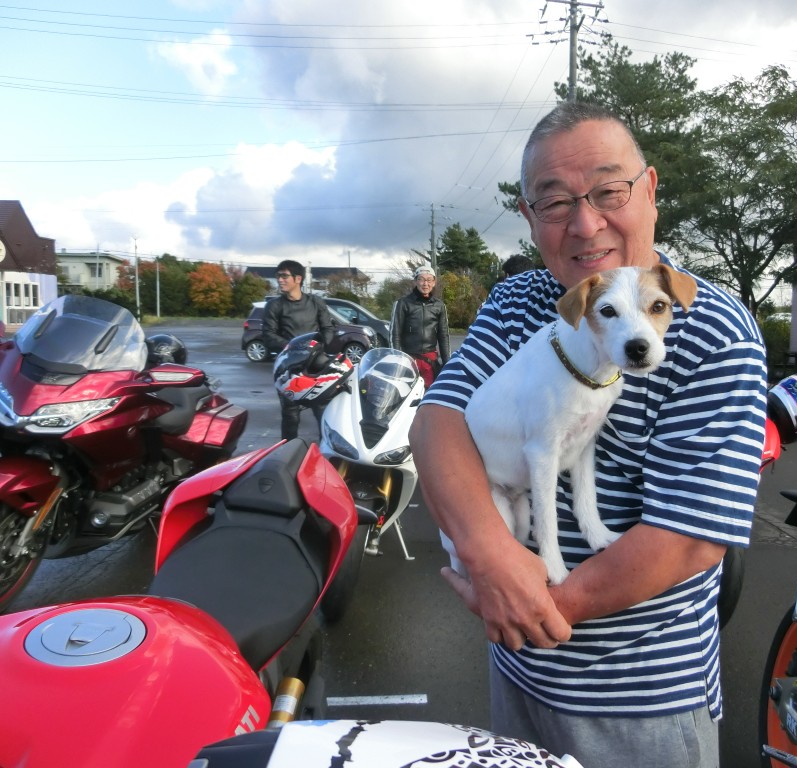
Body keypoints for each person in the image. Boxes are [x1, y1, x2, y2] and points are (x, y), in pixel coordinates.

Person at [408, 102, 767, 768]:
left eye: (609, 191)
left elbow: (690, 538)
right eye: (554, 202)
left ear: (650, 190)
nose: (585, 224)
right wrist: (489, 558)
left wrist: (536, 609)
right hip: (517, 666)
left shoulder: (718, 333)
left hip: (641, 704)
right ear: (528, 217)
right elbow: (438, 421)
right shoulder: (518, 300)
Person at [262, 259, 335, 440]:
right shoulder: (274, 305)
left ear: (298, 279)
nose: (280, 280)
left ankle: (327, 452)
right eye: (278, 276)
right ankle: (288, 450)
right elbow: (268, 335)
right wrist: (294, 349)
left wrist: (318, 348)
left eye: (284, 276)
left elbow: (328, 329)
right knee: (290, 414)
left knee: (322, 412)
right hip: (289, 367)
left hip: (316, 366)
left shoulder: (316, 302)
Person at [390, 265, 451, 386]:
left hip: (430, 361)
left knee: (429, 393)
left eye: (429, 280)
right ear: (415, 281)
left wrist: (447, 363)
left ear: (434, 282)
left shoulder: (439, 306)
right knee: (407, 392)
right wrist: (396, 360)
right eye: (421, 279)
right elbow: (395, 334)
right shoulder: (402, 303)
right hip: (408, 359)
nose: (425, 284)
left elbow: (443, 335)